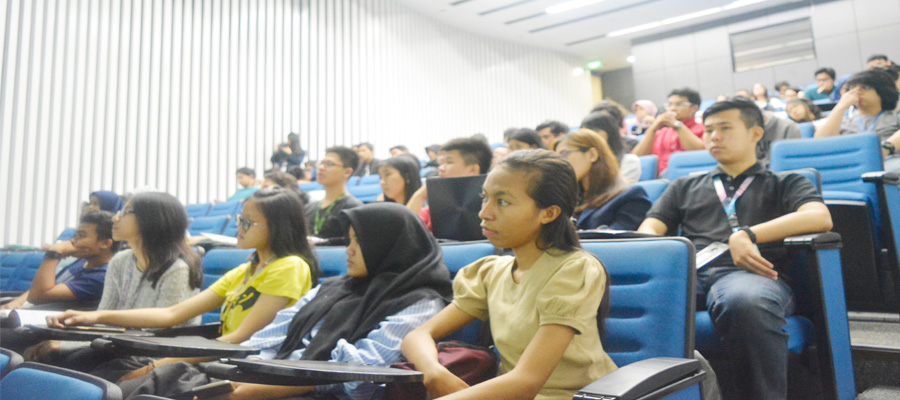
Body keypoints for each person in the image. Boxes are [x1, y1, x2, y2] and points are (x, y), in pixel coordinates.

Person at [115, 203, 452, 400]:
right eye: (348, 241)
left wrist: (241, 390)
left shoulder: (421, 302)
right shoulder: (334, 287)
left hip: (307, 392)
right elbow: (270, 338)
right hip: (263, 380)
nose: (347, 250)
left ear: (389, 247)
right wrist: (235, 375)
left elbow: (359, 374)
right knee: (157, 378)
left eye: (358, 243)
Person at [637, 98, 832, 399]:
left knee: (745, 300)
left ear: (756, 133)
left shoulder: (785, 181)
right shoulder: (684, 186)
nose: (714, 136)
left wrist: (747, 234)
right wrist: (662, 249)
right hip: (690, 275)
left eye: (725, 128)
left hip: (750, 274)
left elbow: (819, 217)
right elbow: (650, 228)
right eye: (709, 130)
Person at [402, 149, 617, 400]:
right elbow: (417, 336)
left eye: (502, 202)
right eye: (485, 198)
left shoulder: (574, 269)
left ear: (548, 213)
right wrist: (434, 372)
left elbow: (527, 382)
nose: (484, 212)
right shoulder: (491, 272)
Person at [47, 188, 320, 383]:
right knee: (95, 368)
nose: (240, 227)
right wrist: (96, 316)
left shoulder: (290, 267)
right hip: (215, 354)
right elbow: (173, 313)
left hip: (242, 364)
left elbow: (239, 340)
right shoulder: (247, 269)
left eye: (248, 222)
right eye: (240, 219)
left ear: (279, 227)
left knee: (118, 379)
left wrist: (159, 364)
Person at [25, 192, 205, 363]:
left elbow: (157, 334)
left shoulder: (177, 269)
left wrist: (68, 346)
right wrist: (69, 336)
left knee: (69, 360)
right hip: (118, 346)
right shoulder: (120, 261)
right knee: (35, 351)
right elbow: (103, 316)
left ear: (151, 220)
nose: (115, 218)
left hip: (154, 356)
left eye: (126, 212)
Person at [1, 211, 119, 310]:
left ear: (105, 243)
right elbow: (39, 288)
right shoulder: (83, 262)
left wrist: (53, 253)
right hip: (28, 313)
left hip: (44, 326)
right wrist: (16, 303)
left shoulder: (101, 276)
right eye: (75, 235)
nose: (73, 241)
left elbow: (37, 295)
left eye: (81, 236)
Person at [557, 130, 650, 231]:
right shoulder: (568, 198)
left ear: (592, 154)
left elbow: (615, 242)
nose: (560, 163)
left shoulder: (631, 196)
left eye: (564, 154)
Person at [407, 138, 493, 231]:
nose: (441, 168)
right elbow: (408, 232)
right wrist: (419, 195)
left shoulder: (491, 205)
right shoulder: (434, 208)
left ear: (472, 170)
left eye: (449, 162)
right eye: (441, 163)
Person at [814, 69, 900, 156]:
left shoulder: (895, 116)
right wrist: (840, 107)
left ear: (883, 92)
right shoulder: (843, 122)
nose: (856, 93)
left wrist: (886, 148)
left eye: (864, 88)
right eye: (852, 89)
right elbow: (820, 145)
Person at [632, 87, 706, 175]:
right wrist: (652, 129)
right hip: (661, 178)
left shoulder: (703, 129)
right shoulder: (661, 132)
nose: (673, 108)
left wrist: (678, 125)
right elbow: (638, 158)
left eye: (679, 104)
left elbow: (702, 155)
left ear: (694, 108)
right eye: (670, 104)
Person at [305, 147, 364, 239]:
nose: (321, 168)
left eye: (329, 164)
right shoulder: (308, 208)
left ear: (347, 172)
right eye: (321, 163)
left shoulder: (354, 209)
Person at [581, 112, 642, 182]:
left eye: (589, 135)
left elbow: (619, 191)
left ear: (605, 135)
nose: (585, 141)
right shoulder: (586, 162)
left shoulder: (629, 161)